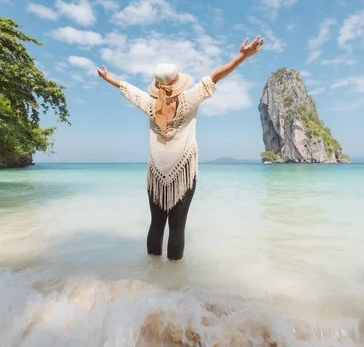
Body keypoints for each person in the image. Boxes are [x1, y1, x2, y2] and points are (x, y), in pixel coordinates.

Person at [96, 36, 265, 260]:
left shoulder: (149, 105)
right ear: (177, 83)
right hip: (183, 173)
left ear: (157, 87)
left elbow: (129, 89)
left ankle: (151, 276)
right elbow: (216, 77)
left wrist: (108, 78)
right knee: (177, 228)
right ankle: (172, 287)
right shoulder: (188, 99)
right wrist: (242, 57)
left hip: (156, 174)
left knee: (156, 225)